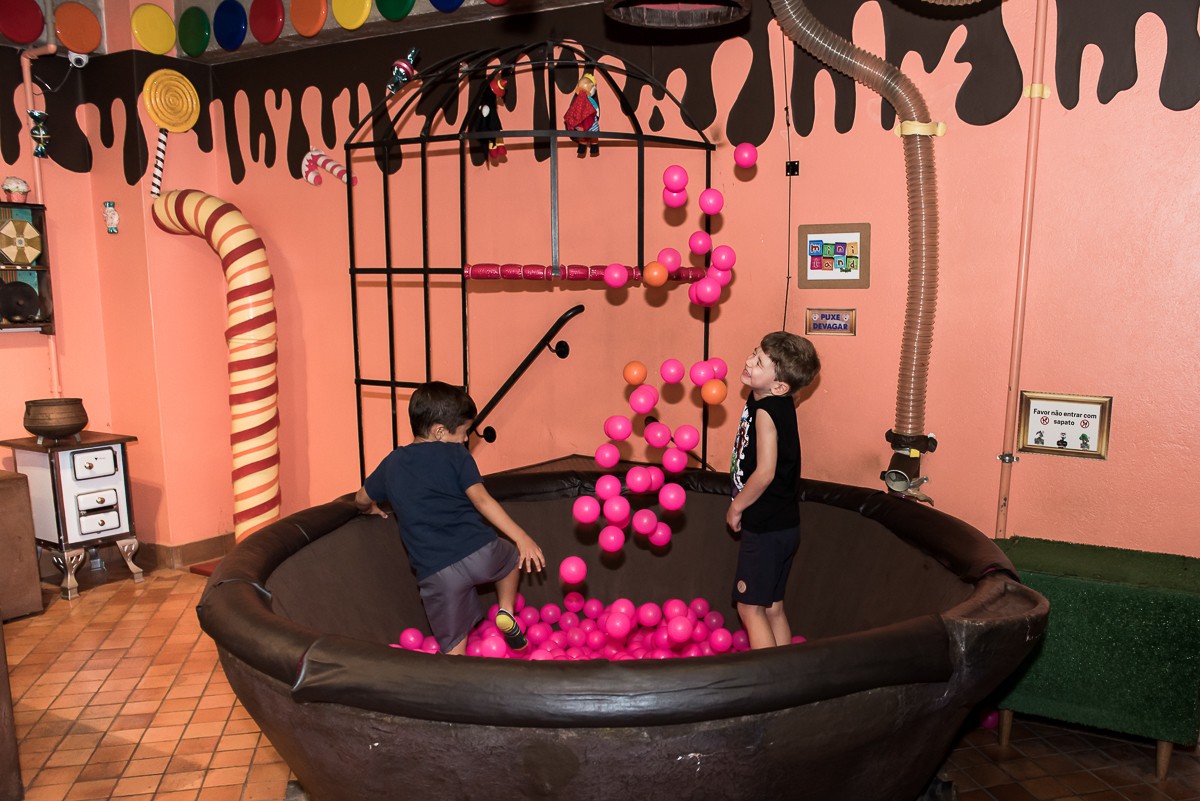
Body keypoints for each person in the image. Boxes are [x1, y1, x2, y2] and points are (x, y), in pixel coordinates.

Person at [355, 381, 545, 655]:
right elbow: (481, 500)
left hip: (436, 572)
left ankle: (457, 686)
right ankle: (506, 610)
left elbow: (360, 498)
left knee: (453, 653)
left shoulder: (392, 462)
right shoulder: (457, 454)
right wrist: (522, 538)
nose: (467, 439)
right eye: (465, 432)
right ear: (439, 432)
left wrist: (368, 508)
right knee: (512, 557)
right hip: (481, 552)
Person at [727, 332, 820, 649]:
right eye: (754, 353)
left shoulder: (767, 411)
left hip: (765, 527)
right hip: (785, 524)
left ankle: (766, 686)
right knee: (772, 607)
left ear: (779, 386)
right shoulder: (776, 401)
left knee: (749, 609)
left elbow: (765, 473)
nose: (749, 361)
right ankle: (788, 677)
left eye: (759, 362)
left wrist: (737, 506)